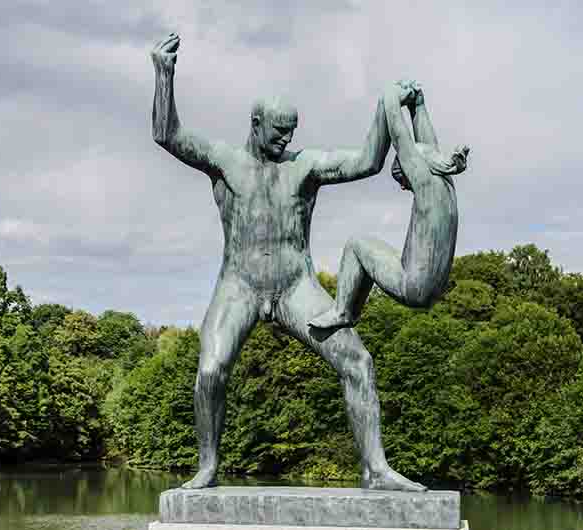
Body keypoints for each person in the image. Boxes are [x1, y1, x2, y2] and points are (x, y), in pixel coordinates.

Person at [151, 32, 425, 491]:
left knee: (358, 361)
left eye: (291, 133)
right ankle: (208, 466)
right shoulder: (225, 161)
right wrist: (164, 74)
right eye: (278, 132)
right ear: (255, 124)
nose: (286, 140)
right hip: (239, 282)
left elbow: (368, 160)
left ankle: (376, 469)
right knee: (211, 368)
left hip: (296, 285)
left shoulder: (305, 167)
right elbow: (167, 135)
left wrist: (386, 106)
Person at [309, 82, 470, 330]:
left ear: (412, 171)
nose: (405, 188)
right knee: (377, 251)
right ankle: (347, 310)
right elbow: (428, 147)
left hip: (413, 285)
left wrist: (390, 98)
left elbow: (399, 137)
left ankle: (343, 312)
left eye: (402, 180)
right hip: (435, 288)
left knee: (356, 245)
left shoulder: (425, 185)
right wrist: (419, 107)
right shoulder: (445, 181)